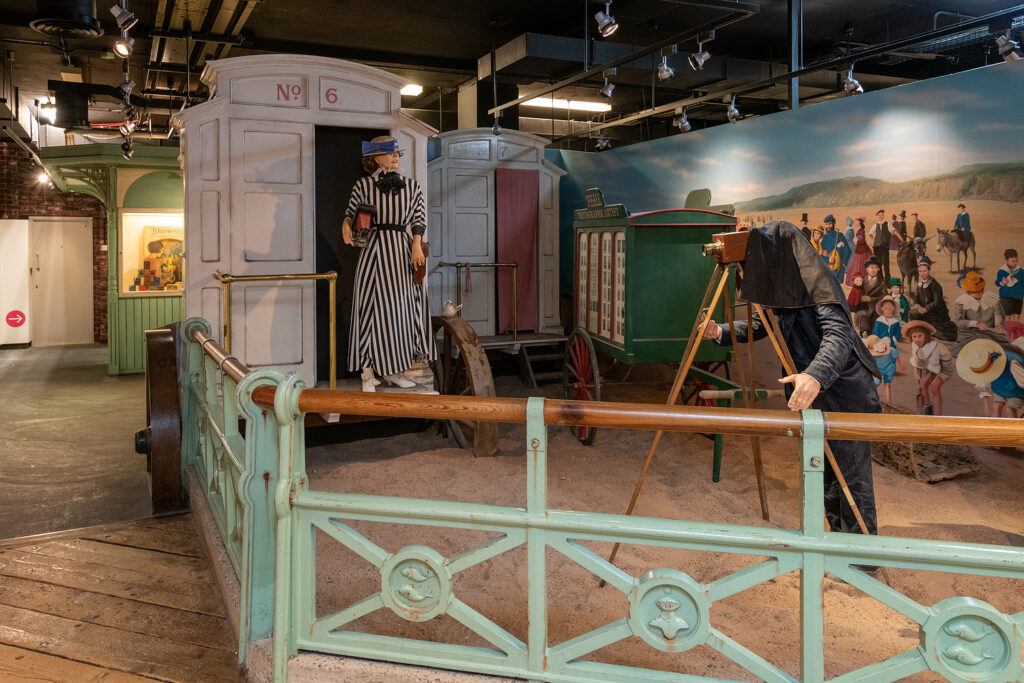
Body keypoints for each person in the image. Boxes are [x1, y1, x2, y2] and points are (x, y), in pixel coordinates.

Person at [702, 220, 881, 538]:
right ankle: (838, 544)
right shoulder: (781, 288)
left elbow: (839, 334)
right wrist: (721, 331)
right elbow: (759, 326)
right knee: (825, 475)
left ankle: (862, 559)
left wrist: (814, 375)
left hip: (846, 392)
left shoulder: (817, 283)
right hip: (816, 393)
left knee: (851, 480)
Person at [342, 136, 434, 392]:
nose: (396, 157)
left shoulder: (412, 186)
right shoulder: (363, 185)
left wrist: (417, 243)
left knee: (401, 312)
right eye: (390, 153)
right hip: (373, 250)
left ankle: (395, 370)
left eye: (397, 154)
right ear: (375, 158)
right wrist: (346, 224)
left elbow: (419, 217)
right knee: (370, 311)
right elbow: (351, 213)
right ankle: (368, 373)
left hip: (401, 251)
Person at [956, 338, 1024, 418]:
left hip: (1016, 390)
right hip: (999, 388)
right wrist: (986, 403)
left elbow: (1022, 379)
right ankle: (995, 428)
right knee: (996, 406)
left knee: (1010, 409)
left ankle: (1013, 429)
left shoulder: (1012, 362)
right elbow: (983, 384)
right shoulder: (982, 365)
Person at [905, 320, 954, 415]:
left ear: (926, 336)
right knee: (922, 387)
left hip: (944, 367)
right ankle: (928, 411)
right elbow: (916, 360)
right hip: (928, 366)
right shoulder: (915, 345)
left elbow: (935, 366)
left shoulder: (935, 347)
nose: (917, 339)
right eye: (914, 337)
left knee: (934, 387)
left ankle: (938, 415)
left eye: (920, 336)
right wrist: (917, 375)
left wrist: (925, 379)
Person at [952, 271, 1006, 352]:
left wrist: (998, 324)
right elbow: (958, 321)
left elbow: (999, 314)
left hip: (990, 331)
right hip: (969, 333)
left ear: (983, 288)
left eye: (979, 290)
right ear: (969, 291)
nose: (977, 294)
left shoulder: (992, 298)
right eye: (974, 292)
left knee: (1005, 346)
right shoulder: (961, 301)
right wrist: (976, 324)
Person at [910, 256, 958, 342]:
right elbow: (918, 300)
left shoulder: (935, 285)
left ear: (929, 271)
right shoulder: (919, 284)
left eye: (924, 271)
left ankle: (932, 331)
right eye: (920, 271)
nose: (922, 273)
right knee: (912, 313)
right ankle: (922, 331)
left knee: (940, 333)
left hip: (937, 313)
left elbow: (937, 302)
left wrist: (926, 308)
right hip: (925, 312)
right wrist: (917, 305)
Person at [873, 296, 905, 375]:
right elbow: (875, 331)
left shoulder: (895, 322)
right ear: (882, 309)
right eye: (886, 308)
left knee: (892, 355)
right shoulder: (879, 320)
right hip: (881, 343)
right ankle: (880, 368)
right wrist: (877, 339)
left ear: (893, 309)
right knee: (881, 356)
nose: (888, 311)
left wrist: (894, 339)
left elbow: (898, 334)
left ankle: (891, 368)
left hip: (892, 343)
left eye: (890, 308)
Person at [869, 209, 901, 283]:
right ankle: (880, 281)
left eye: (882, 215)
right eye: (879, 215)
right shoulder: (875, 226)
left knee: (886, 266)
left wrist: (902, 240)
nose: (880, 216)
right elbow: (870, 234)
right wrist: (874, 240)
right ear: (877, 216)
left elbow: (895, 232)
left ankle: (887, 282)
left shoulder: (888, 225)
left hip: (884, 248)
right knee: (878, 266)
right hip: (876, 248)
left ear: (884, 216)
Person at [863, 334, 895, 403]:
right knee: (875, 384)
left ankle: (889, 402)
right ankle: (872, 398)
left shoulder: (890, 350)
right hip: (878, 369)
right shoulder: (872, 355)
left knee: (887, 384)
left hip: (888, 368)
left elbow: (894, 357)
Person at [820, 214, 852, 283]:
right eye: (826, 224)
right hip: (828, 267)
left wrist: (844, 263)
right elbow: (820, 253)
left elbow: (848, 251)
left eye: (830, 224)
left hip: (839, 269)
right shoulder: (825, 237)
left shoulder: (840, 235)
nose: (828, 226)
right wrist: (828, 259)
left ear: (833, 223)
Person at [996, 248, 1022, 322]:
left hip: (1018, 296)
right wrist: (1002, 283)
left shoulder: (1020, 271)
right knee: (1009, 316)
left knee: (1017, 316)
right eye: (1013, 261)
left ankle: (1016, 332)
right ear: (1006, 260)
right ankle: (1008, 332)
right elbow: (997, 282)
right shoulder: (1002, 271)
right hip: (1006, 297)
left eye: (1017, 260)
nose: (1015, 263)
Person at [846, 217, 872, 286]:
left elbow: (862, 240)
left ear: (859, 222)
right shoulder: (859, 229)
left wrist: (857, 240)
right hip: (859, 248)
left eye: (856, 221)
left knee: (860, 264)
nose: (855, 222)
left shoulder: (861, 230)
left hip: (862, 250)